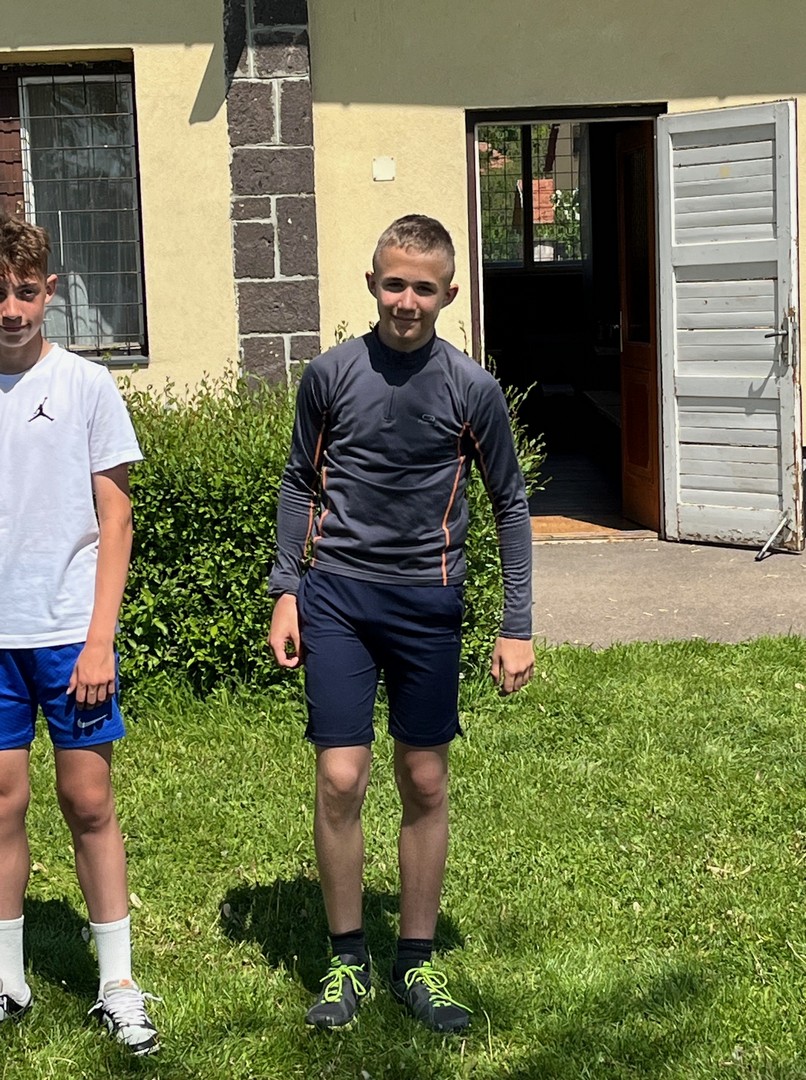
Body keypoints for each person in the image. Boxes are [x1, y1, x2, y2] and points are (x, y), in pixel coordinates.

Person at [268, 214, 534, 1033]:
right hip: (337, 600)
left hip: (428, 603)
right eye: (394, 284)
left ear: (449, 293)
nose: (406, 301)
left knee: (423, 780)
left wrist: (517, 623)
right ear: (372, 284)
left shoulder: (472, 388)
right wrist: (285, 589)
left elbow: (510, 505)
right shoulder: (329, 375)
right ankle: (347, 958)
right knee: (341, 778)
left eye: (423, 287)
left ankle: (415, 960)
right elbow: (298, 482)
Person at [0, 215, 158, 1056]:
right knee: (2, 803)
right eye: (0, 294)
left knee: (88, 800)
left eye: (26, 292)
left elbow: (115, 519)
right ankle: (8, 979)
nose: (12, 309)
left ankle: (118, 984)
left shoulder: (88, 386)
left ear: (50, 291)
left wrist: (101, 640)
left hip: (69, 634)